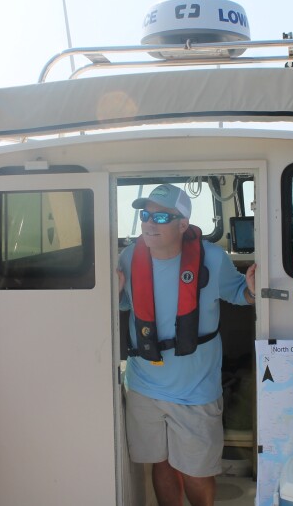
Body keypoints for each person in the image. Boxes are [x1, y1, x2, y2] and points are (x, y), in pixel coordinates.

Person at [117, 184, 256, 506]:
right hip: (143, 385)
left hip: (196, 389)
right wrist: (116, 292)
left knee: (196, 470)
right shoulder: (128, 257)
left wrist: (251, 289)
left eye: (161, 216)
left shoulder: (212, 258)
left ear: (182, 224)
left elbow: (240, 295)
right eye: (146, 215)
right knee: (161, 461)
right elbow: (126, 306)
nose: (150, 223)